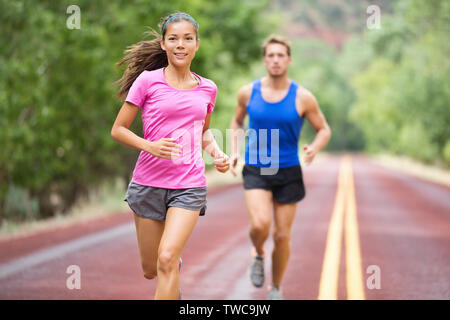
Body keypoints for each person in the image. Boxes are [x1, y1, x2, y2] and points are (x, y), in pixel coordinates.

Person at [111, 12, 230, 300]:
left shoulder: (208, 88)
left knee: (165, 258)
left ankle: (170, 264)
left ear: (196, 45)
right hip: (148, 183)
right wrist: (149, 145)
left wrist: (217, 153)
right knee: (152, 268)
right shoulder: (147, 81)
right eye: (173, 38)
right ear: (164, 44)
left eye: (188, 38)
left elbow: (202, 132)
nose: (181, 44)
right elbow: (118, 130)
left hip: (188, 185)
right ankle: (171, 277)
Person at [229, 35, 331, 299]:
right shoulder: (247, 93)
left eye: (280, 55)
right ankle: (259, 252)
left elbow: (323, 130)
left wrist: (314, 148)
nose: (275, 60)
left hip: (288, 171)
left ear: (289, 60)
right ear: (265, 60)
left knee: (283, 236)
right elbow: (236, 122)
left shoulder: (303, 97)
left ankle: (275, 288)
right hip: (256, 168)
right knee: (260, 225)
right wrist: (234, 152)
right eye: (271, 55)